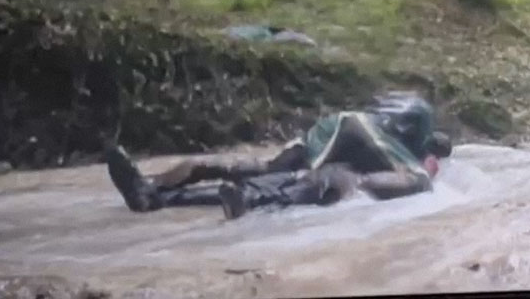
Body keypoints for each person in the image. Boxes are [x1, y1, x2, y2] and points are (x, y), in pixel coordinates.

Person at [104, 94, 454, 219]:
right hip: (337, 146)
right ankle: (157, 191)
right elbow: (407, 177)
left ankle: (152, 193)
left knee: (263, 174)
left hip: (320, 144)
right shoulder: (408, 146)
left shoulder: (403, 135)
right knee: (290, 182)